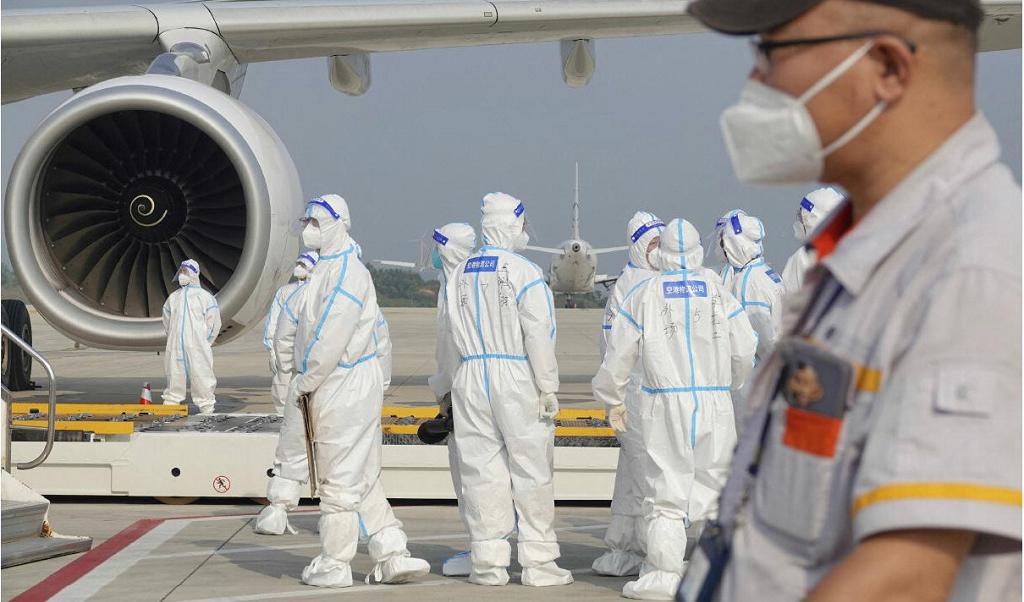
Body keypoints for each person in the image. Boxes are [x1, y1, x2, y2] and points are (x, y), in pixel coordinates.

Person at [678, 1, 1022, 601]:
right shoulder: (872, 252)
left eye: (773, 52)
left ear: (887, 67)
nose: (756, 80)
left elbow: (904, 578)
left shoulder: (970, 270)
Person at [593, 218, 756, 600]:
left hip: (663, 403)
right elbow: (745, 345)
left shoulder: (645, 293)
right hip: (714, 401)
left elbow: (618, 353)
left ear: (663, 252)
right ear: (697, 250)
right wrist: (733, 380)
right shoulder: (715, 289)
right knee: (715, 487)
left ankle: (664, 575)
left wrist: (613, 398)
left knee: (665, 491)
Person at [434, 192, 573, 587]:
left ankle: (488, 563)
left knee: (480, 471)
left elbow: (447, 339)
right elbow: (538, 334)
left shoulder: (459, 274)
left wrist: (448, 388)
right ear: (511, 224)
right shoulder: (525, 272)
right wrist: (547, 386)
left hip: (469, 378)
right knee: (531, 469)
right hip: (515, 376)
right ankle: (539, 563)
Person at [291, 194, 428, 588]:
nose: (308, 229)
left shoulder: (347, 273)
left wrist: (306, 379)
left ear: (339, 224)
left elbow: (330, 335)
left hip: (342, 384)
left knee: (338, 477)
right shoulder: (329, 269)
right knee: (362, 473)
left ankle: (335, 561)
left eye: (316, 222)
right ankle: (390, 551)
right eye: (307, 221)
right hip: (347, 383)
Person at [591, 211, 665, 577]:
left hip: (648, 390)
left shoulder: (651, 280)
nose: (659, 250)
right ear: (638, 246)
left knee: (632, 474)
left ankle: (623, 546)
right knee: (648, 474)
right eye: (653, 244)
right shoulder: (632, 285)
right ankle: (654, 552)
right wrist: (616, 396)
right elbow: (613, 345)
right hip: (638, 390)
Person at [425, 222, 478, 577]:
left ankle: (483, 548)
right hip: (462, 388)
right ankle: (482, 544)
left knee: (472, 475)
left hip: (465, 389)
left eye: (438, 245)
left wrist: (446, 392)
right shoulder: (451, 285)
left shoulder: (462, 286)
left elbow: (452, 348)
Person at [161, 259, 221, 414]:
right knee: (174, 374)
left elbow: (214, 323)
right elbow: (167, 321)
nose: (182, 275)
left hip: (197, 345)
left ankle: (206, 407)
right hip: (176, 345)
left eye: (185, 272)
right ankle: (171, 404)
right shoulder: (173, 298)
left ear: (194, 274)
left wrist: (205, 342)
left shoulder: (205, 297)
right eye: (181, 271)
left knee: (201, 375)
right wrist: (173, 337)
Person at [263, 251, 319, 416]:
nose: (298, 268)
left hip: (309, 348)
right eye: (298, 264)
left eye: (303, 265)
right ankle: (282, 415)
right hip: (286, 347)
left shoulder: (319, 292)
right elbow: (273, 320)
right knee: (283, 380)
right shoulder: (285, 291)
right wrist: (271, 348)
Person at [781, 187, 845, 294]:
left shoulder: (804, 257)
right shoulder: (853, 249)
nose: (800, 222)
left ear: (812, 219)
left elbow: (788, 296)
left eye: (802, 218)